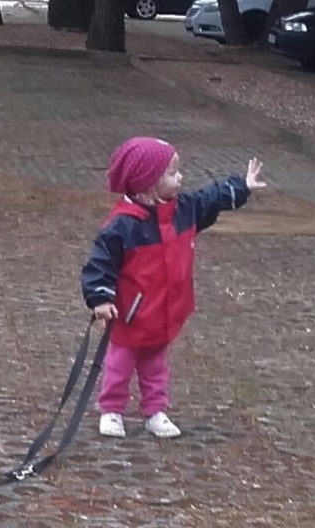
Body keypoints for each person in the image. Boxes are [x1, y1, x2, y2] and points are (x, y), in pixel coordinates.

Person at [80, 136, 266, 439]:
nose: (180, 178)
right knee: (120, 364)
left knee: (156, 367)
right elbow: (101, 264)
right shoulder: (122, 225)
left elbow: (211, 197)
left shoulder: (183, 210)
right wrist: (100, 297)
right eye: (172, 173)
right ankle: (112, 409)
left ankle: (155, 410)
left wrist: (241, 186)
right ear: (148, 182)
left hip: (166, 310)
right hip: (130, 314)